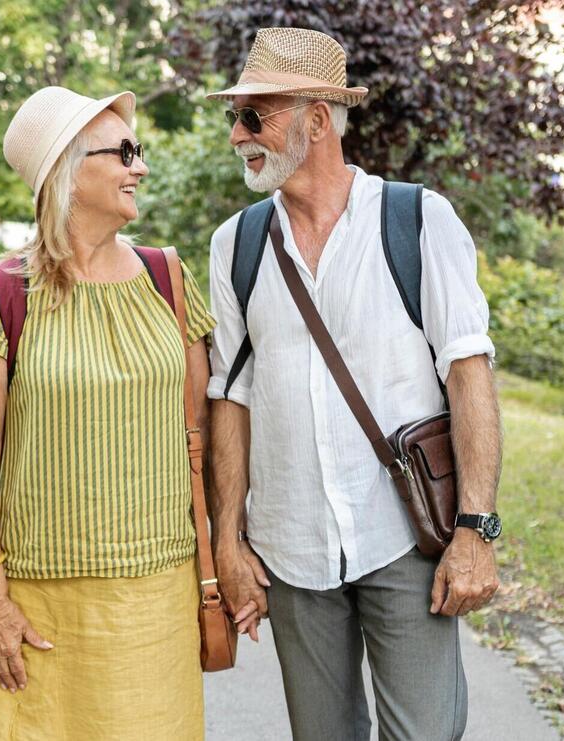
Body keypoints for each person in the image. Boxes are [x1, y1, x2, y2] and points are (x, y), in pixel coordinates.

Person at [204, 28, 503, 740]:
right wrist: (227, 541)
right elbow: (229, 398)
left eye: (256, 116)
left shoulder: (418, 220)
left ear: (316, 119)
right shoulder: (236, 244)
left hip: (400, 535)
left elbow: (469, 376)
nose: (239, 136)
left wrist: (475, 529)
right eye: (234, 117)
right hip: (290, 547)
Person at [0, 85, 215, 741]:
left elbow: (203, 432)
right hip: (39, 607)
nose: (139, 167)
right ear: (66, 169)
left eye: (136, 151)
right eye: (123, 153)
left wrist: (224, 553)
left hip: (156, 601)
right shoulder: (2, 293)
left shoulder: (168, 281)